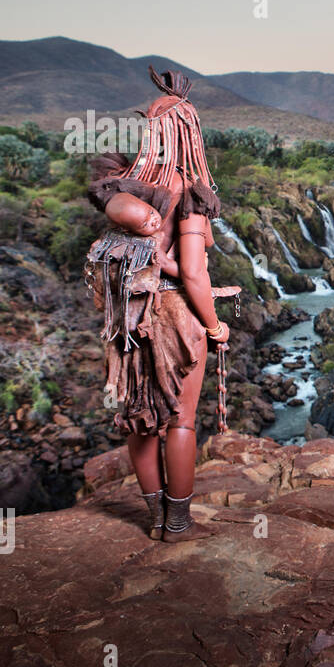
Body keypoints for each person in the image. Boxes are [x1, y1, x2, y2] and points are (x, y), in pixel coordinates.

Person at [87, 67, 230, 542]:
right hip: (175, 315)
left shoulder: (123, 181)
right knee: (181, 421)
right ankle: (178, 522)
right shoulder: (190, 191)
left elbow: (143, 254)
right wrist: (214, 326)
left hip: (128, 316)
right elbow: (192, 272)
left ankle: (152, 517)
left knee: (140, 417)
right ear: (190, 135)